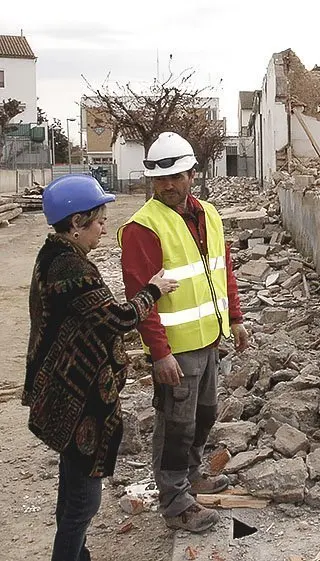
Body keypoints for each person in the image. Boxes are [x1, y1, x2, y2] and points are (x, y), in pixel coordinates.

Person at [23, 174, 178, 561]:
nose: (105, 228)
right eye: (99, 220)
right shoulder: (69, 269)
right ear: (76, 223)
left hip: (69, 395)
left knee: (72, 496)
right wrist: (153, 289)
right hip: (76, 402)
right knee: (82, 503)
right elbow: (119, 319)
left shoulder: (56, 256)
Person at [118, 131, 249, 533]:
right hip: (175, 349)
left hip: (209, 338)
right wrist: (159, 352)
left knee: (204, 415)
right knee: (175, 426)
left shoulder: (208, 214)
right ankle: (175, 502)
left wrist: (237, 318)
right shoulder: (144, 228)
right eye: (160, 180)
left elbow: (222, 270)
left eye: (175, 177)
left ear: (193, 174)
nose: (168, 185)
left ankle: (191, 476)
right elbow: (141, 297)